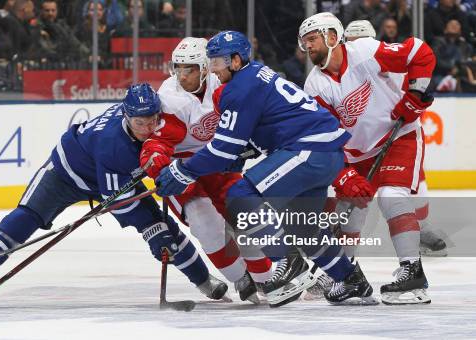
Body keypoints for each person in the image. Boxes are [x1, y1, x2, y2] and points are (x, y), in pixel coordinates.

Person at [154, 30, 377, 307]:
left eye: (218, 61)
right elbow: (262, 130)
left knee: (240, 194)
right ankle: (352, 280)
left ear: (235, 60)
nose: (214, 69)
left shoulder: (239, 88)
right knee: (304, 230)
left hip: (308, 150)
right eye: (210, 61)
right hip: (323, 152)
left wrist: (182, 171)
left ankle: (288, 261)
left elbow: (223, 148)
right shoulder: (255, 74)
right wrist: (239, 152)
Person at [0, 84, 228, 302]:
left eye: (151, 121)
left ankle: (205, 282)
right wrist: (146, 223)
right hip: (64, 174)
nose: (146, 129)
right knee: (23, 219)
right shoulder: (112, 144)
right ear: (125, 115)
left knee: (163, 231)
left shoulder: (157, 125)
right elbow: (115, 199)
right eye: (138, 123)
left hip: (115, 176)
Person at [299, 12, 436, 305]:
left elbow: (419, 52)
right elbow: (324, 138)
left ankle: (413, 272)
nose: (307, 47)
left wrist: (417, 92)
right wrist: (343, 173)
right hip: (356, 153)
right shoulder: (314, 85)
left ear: (331, 37)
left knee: (390, 195)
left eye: (312, 39)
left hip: (398, 136)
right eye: (304, 42)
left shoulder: (364, 51)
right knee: (348, 207)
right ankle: (346, 277)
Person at [139, 37, 273, 304]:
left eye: (188, 69)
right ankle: (240, 278)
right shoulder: (170, 97)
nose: (181, 75)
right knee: (204, 221)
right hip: (182, 166)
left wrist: (250, 143)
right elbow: (158, 141)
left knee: (245, 212)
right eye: (177, 68)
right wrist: (155, 159)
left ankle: (267, 278)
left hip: (218, 159)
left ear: (204, 68)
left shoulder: (224, 81)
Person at [343, 18, 448, 257]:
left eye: (362, 41)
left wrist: (416, 101)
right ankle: (340, 262)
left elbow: (417, 91)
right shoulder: (338, 73)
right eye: (352, 41)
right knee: (352, 200)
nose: (357, 45)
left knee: (412, 183)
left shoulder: (386, 60)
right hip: (360, 145)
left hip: (398, 135)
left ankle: (421, 228)